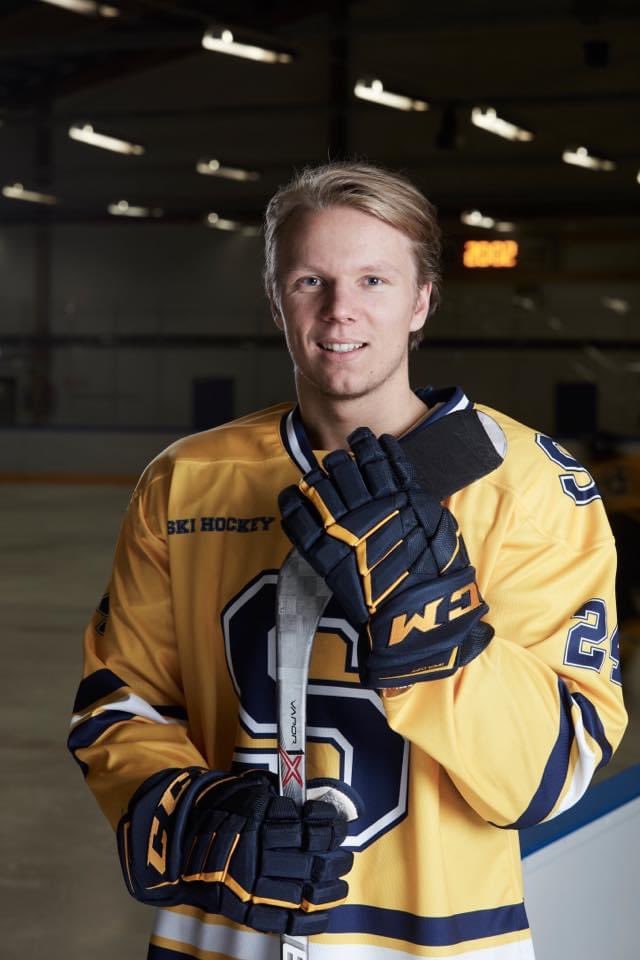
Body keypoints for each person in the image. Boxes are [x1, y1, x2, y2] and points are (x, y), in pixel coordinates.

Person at [69, 162, 627, 960]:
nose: (341, 311)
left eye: (374, 278)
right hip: (222, 938)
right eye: (310, 281)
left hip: (436, 942)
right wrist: (190, 810)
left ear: (422, 301)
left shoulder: (531, 487)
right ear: (274, 297)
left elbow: (555, 773)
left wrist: (440, 642)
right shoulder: (186, 480)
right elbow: (118, 706)